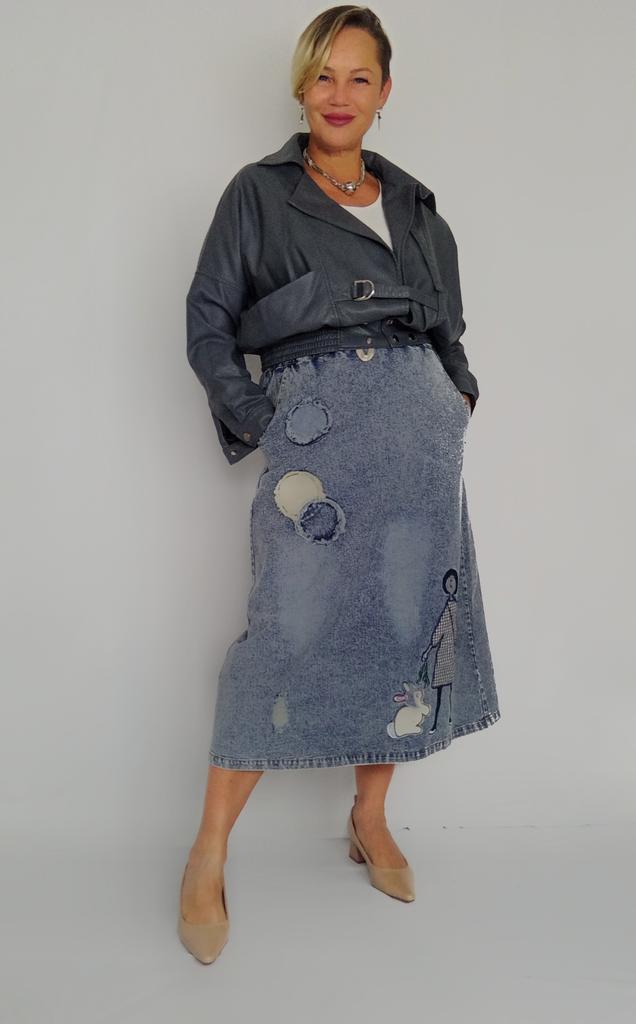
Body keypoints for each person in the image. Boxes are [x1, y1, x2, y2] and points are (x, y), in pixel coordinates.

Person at [178, 4, 502, 964]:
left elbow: (449, 331)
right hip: (318, 439)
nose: (340, 94)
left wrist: (458, 396)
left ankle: (369, 817)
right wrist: (263, 418)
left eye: (360, 77)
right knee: (287, 632)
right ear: (302, 84)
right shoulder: (259, 193)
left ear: (384, 91)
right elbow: (208, 321)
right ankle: (208, 849)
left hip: (418, 443)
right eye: (325, 74)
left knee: (402, 624)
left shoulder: (416, 207)